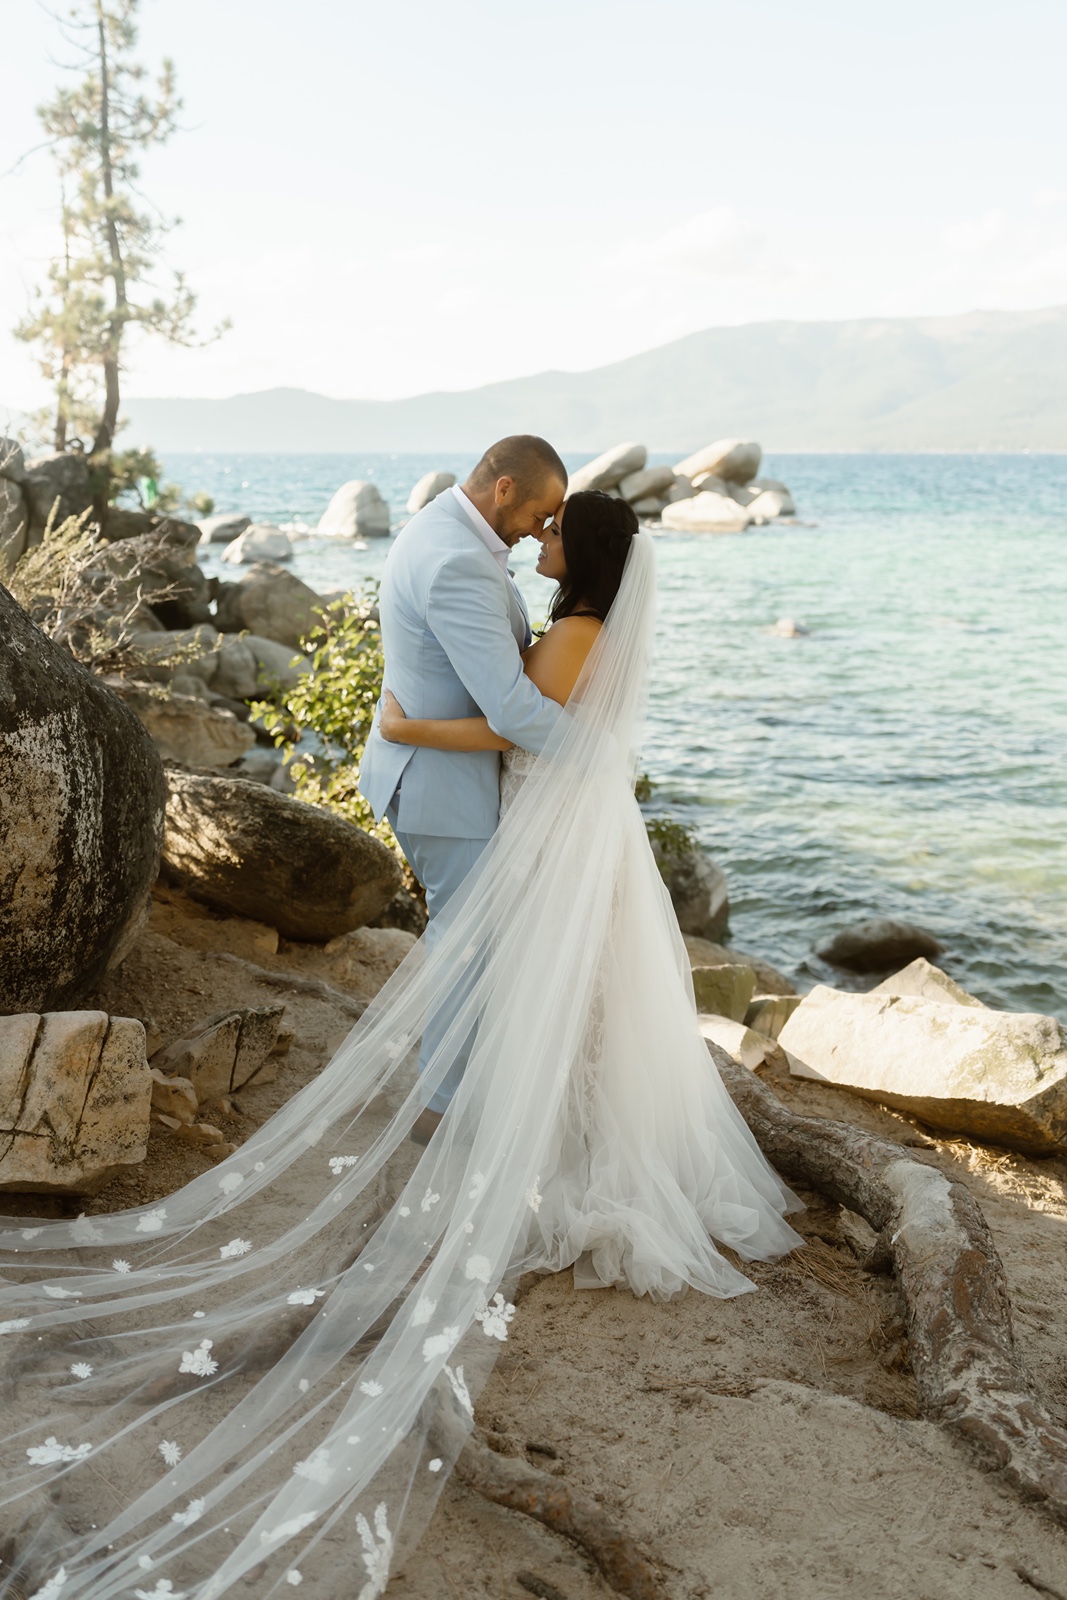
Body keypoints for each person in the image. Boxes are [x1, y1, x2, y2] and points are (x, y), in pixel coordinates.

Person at [0, 485, 802, 1600]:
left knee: (553, 991)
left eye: (559, 530)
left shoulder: (573, 628)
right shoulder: (570, 618)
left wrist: (412, 725)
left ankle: (559, 1141)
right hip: (556, 825)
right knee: (556, 995)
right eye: (541, 518)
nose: (542, 535)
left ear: (587, 550)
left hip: (553, 823)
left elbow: (535, 725)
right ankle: (541, 1118)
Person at [358, 435, 568, 1142]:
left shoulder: (439, 523)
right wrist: (595, 752)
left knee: (467, 937)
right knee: (465, 943)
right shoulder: (455, 561)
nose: (542, 530)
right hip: (442, 787)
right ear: (504, 488)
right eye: (541, 513)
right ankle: (438, 1106)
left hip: (433, 772)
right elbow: (509, 710)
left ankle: (451, 1088)